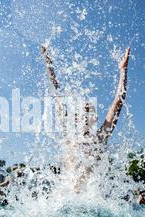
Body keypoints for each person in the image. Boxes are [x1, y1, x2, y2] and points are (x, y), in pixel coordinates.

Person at [42, 45, 131, 192]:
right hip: (68, 200)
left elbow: (118, 102)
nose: (84, 116)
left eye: (88, 113)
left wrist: (123, 71)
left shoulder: (100, 138)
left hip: (90, 202)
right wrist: (48, 64)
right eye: (81, 112)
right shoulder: (68, 134)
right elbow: (56, 93)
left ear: (94, 118)